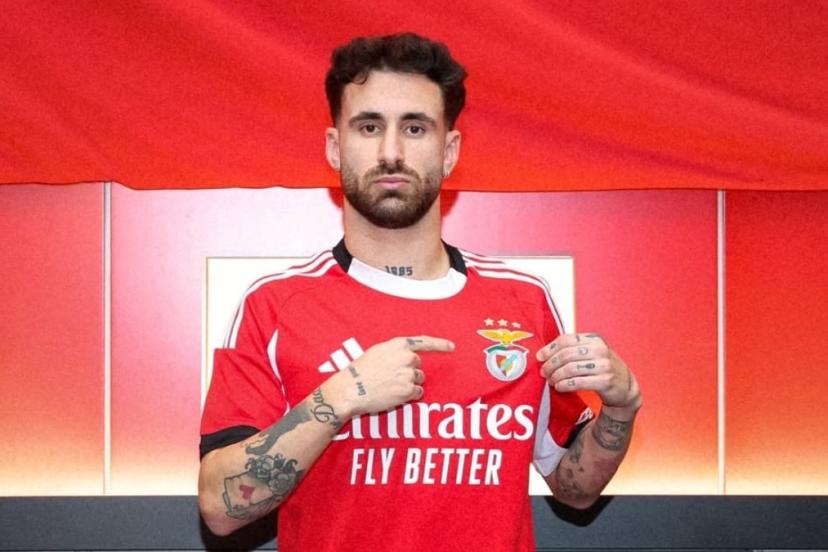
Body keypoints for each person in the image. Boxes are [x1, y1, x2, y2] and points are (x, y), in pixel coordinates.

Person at [198, 32, 641, 551]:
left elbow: (574, 488)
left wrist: (622, 407)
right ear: (335, 147)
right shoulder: (275, 304)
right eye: (369, 127)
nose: (391, 152)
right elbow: (220, 507)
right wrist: (340, 397)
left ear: (449, 151)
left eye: (415, 128)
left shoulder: (523, 300)